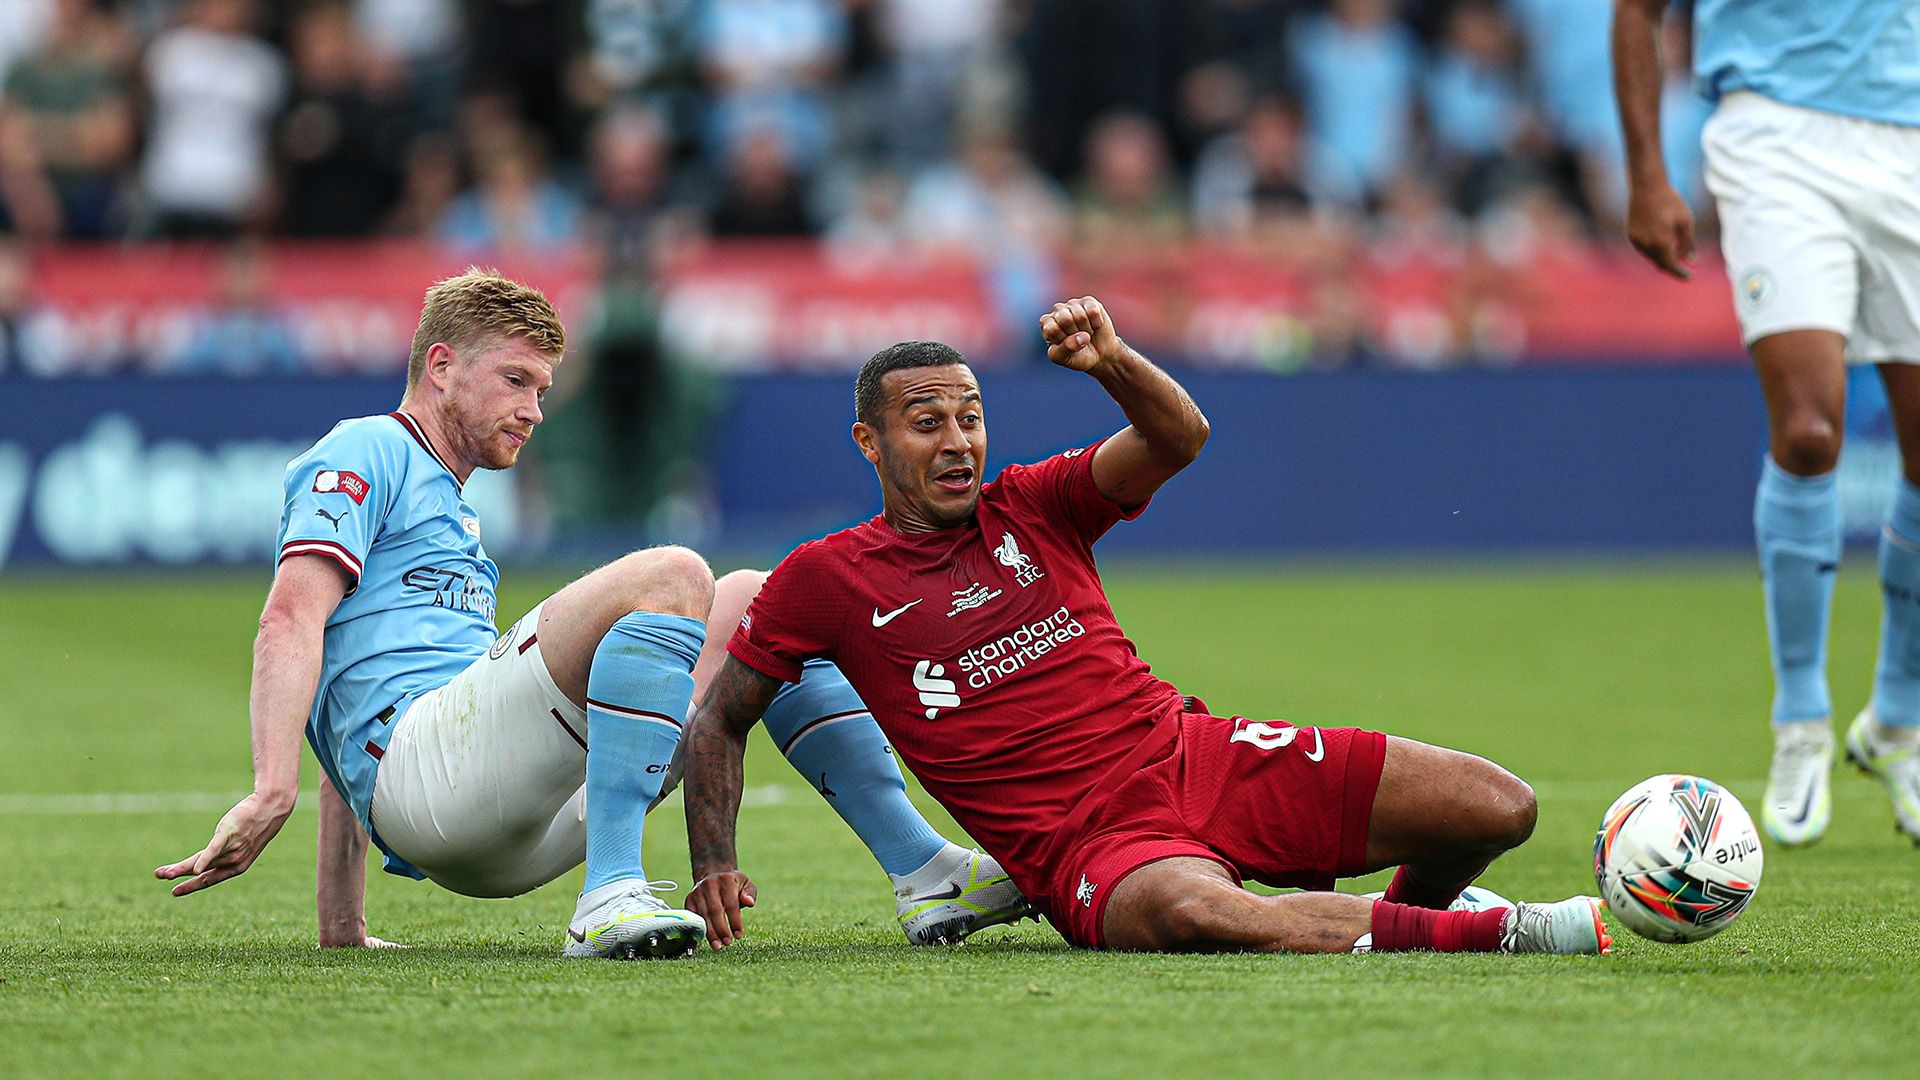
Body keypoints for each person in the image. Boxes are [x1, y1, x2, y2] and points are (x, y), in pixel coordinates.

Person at [680, 296, 1610, 955]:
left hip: (1195, 758)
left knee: (1497, 807)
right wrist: (714, 860)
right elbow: (723, 714)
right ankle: (1499, 931)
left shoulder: (1037, 502)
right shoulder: (827, 576)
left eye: (970, 417)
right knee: (1193, 911)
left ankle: (1399, 917)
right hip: (1088, 848)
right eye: (927, 423)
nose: (958, 441)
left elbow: (1180, 439)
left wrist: (1111, 364)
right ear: (869, 442)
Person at [155, 268, 1027, 958]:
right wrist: (267, 789)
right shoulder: (366, 448)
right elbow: (290, 620)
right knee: (675, 571)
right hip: (434, 783)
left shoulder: (453, 508)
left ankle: (923, 869)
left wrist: (340, 928)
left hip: (505, 821)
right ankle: (610, 890)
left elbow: (342, 695)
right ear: (442, 365)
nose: (534, 410)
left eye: (542, 388)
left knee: (762, 600)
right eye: (516, 381)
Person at [1614, 0, 1920, 847]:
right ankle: (1802, 720)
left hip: (1912, 131)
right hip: (1775, 134)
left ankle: (1897, 719)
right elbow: (1637, 13)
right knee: (1810, 431)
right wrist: (1646, 172)